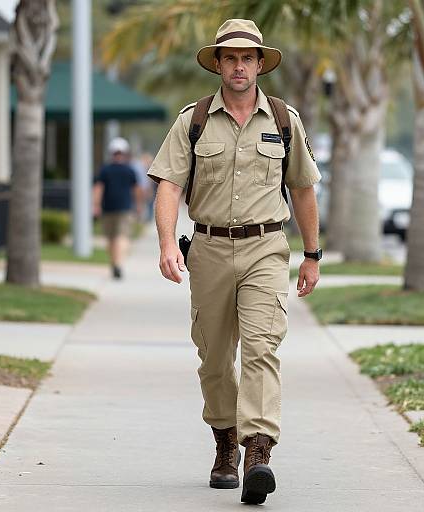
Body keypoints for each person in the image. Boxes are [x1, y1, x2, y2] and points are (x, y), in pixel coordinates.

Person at [148, 19, 322, 504]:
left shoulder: (285, 120)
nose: (240, 65)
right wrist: (166, 243)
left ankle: (258, 451)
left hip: (266, 247)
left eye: (248, 57)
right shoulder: (194, 120)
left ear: (260, 64)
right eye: (231, 58)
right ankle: (225, 441)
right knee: (216, 357)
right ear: (219, 64)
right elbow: (168, 185)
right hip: (207, 248)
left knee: (263, 347)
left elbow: (304, 189)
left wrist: (312, 254)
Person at [93, 137, 142, 279]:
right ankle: (118, 264)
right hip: (125, 208)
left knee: (110, 239)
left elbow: (98, 189)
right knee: (122, 237)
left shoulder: (105, 170)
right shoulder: (129, 170)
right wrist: (138, 205)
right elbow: (137, 190)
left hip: (108, 208)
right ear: (125, 153)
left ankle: (115, 263)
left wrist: (95, 206)